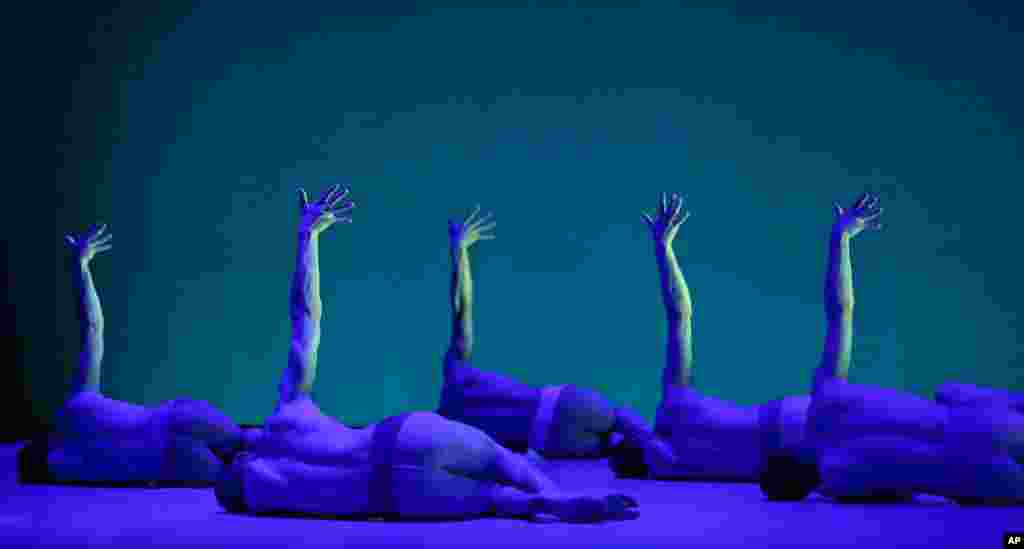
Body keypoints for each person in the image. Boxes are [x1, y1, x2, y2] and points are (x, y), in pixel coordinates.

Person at [215, 185, 640, 522]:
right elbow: (306, 318)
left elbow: (236, 490)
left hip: (393, 496)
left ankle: (539, 506)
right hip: (400, 437)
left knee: (495, 498)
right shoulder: (289, 412)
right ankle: (558, 498)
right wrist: (307, 237)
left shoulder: (258, 489)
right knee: (500, 460)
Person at [766, 193, 1024, 504]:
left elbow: (899, 492)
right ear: (788, 446)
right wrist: (840, 240)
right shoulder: (827, 394)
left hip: (978, 478)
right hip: (986, 425)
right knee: (949, 392)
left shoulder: (838, 478)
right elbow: (840, 311)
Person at [435, 205, 675, 465]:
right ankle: (651, 442)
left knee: (615, 446)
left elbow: (461, 307)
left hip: (546, 440)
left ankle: (649, 446)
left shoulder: (455, 432)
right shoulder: (455, 374)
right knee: (620, 421)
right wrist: (459, 250)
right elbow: (461, 308)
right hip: (556, 404)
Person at [607, 193, 811, 486]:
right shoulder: (674, 404)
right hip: (784, 420)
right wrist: (663, 249)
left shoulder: (671, 465)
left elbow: (633, 428)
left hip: (787, 453)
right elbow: (680, 315)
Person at [17, 225, 245, 486]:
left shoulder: (62, 465)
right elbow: (93, 326)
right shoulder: (77, 404)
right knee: (247, 443)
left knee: (247, 473)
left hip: (164, 462)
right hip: (168, 419)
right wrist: (81, 267)